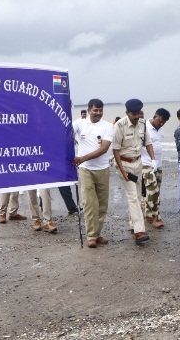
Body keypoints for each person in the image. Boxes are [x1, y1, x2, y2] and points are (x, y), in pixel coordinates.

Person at [112, 98, 155, 244]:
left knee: (137, 195)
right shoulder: (120, 125)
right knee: (132, 196)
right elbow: (115, 149)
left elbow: (148, 142)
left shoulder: (143, 123)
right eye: (134, 114)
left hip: (138, 163)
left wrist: (153, 159)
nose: (137, 116)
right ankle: (139, 231)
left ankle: (132, 223)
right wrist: (122, 170)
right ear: (127, 113)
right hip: (125, 164)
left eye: (139, 113)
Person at [72, 99, 113, 248]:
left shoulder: (107, 126)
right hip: (86, 170)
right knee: (89, 203)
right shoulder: (79, 124)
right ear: (89, 110)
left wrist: (82, 158)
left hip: (102, 169)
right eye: (95, 110)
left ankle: (97, 233)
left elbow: (103, 149)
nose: (98, 113)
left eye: (100, 110)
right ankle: (91, 235)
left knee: (102, 204)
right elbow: (65, 131)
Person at [140, 108, 170, 228]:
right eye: (160, 121)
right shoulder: (144, 127)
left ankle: (148, 214)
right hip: (146, 163)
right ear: (155, 116)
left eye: (164, 122)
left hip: (158, 164)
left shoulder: (161, 129)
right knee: (154, 191)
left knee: (155, 190)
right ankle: (156, 217)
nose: (161, 124)